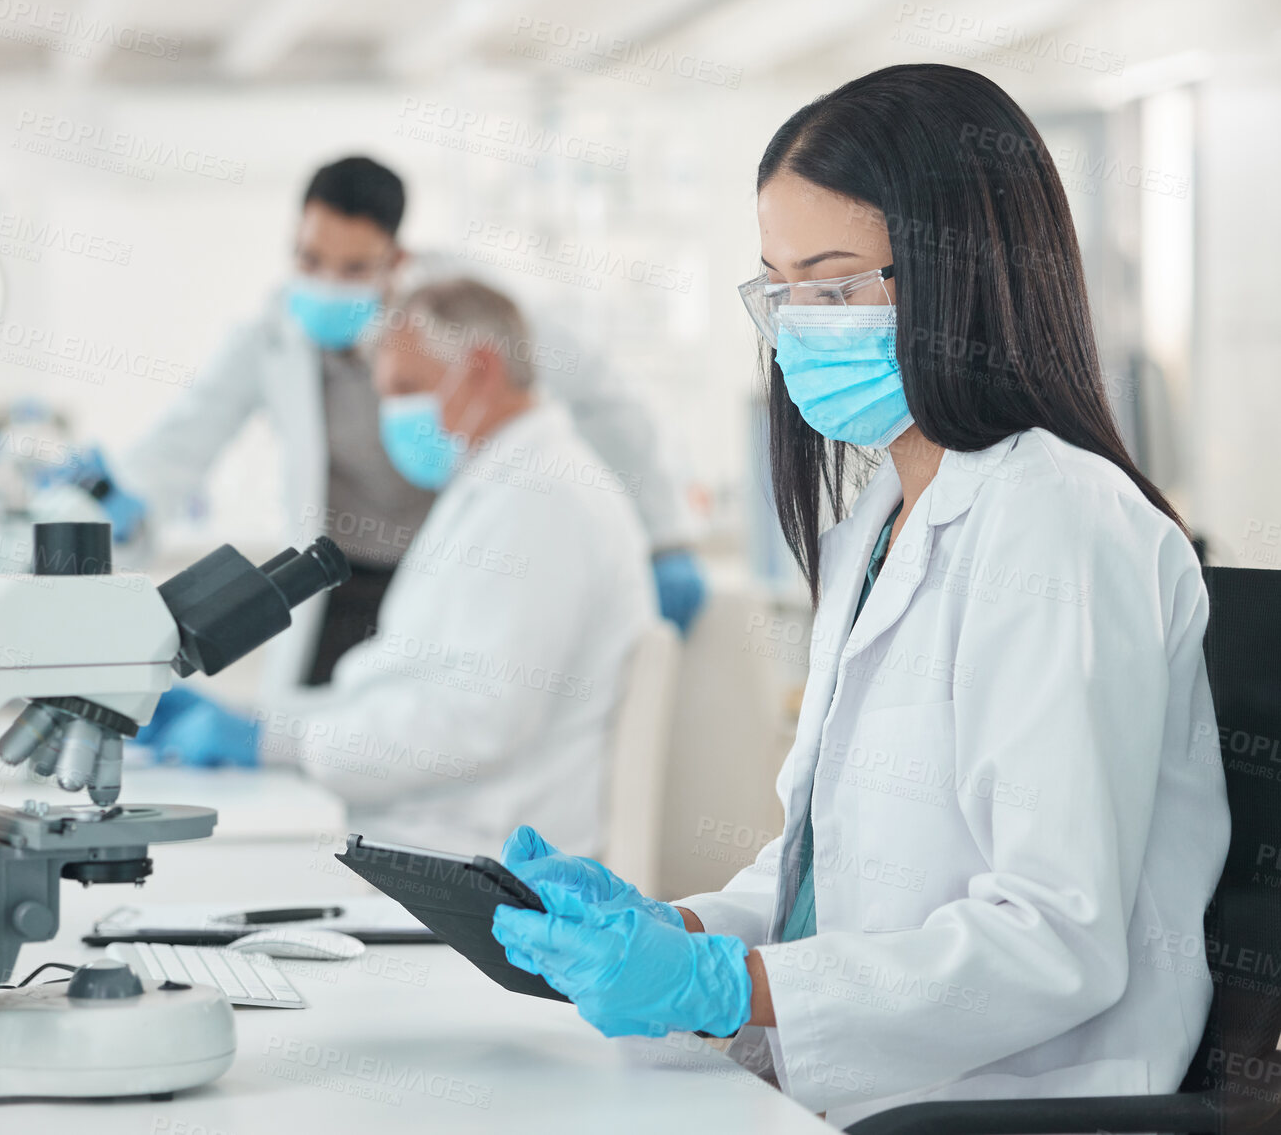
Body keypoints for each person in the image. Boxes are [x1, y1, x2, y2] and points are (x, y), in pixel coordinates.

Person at [488, 63, 1229, 1128]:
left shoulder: (1061, 524)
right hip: (874, 1089)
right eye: (781, 288)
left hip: (1009, 1105)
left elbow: (1054, 936)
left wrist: (729, 987)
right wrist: (676, 930)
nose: (800, 326)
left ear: (960, 276)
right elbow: (827, 881)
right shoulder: (880, 524)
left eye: (835, 288)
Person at [59, 156, 703, 701]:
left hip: (446, 568)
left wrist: (665, 538)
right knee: (327, 742)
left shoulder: (455, 310)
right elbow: (189, 432)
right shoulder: (269, 337)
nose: (325, 284)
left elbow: (601, 397)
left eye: (352, 269)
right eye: (310, 260)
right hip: (335, 580)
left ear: (397, 258)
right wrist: (128, 500)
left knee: (434, 732)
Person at [137, 278, 657, 855]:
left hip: (481, 857)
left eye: (407, 389)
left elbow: (477, 721)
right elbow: (403, 685)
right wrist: (267, 723)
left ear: (480, 370)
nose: (393, 418)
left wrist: (280, 744)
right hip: (434, 829)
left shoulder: (542, 502)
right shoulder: (496, 489)